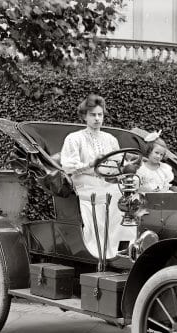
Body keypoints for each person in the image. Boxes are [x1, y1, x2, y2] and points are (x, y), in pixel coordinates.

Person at [60, 94, 135, 260]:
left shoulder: (111, 139)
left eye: (100, 114)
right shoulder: (74, 138)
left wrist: (124, 170)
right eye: (92, 114)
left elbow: (118, 165)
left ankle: (125, 247)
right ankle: (101, 252)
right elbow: (68, 167)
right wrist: (90, 165)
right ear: (84, 116)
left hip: (108, 183)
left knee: (132, 194)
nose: (97, 118)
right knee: (115, 195)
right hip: (83, 184)